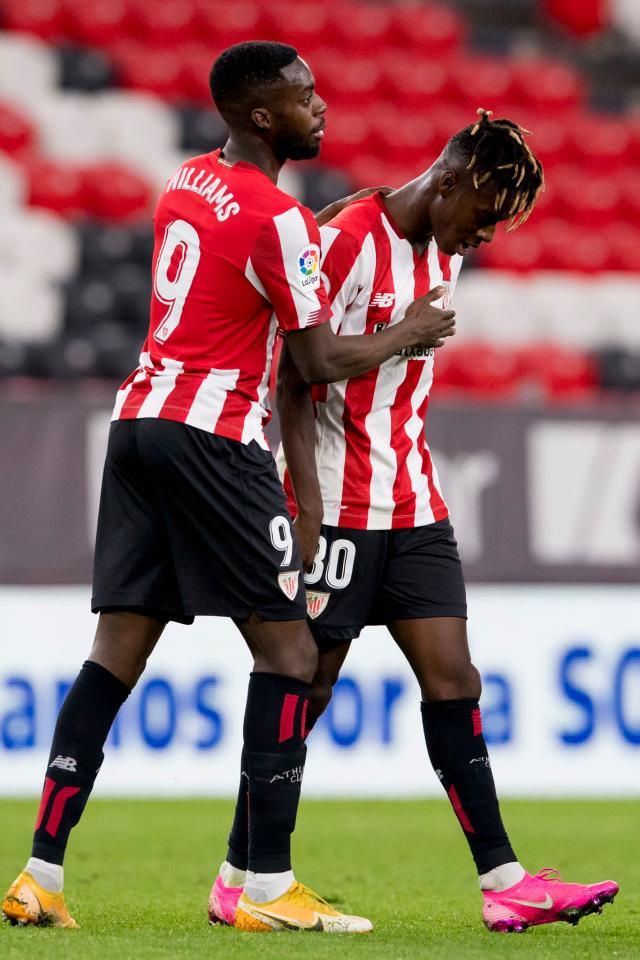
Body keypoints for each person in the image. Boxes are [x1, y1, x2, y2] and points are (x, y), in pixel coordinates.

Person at [1, 42, 457, 935]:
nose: (320, 107)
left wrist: (313, 237)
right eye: (303, 96)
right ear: (260, 115)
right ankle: (266, 886)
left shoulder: (187, 180)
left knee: (114, 653)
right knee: (291, 655)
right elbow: (315, 360)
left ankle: (39, 875)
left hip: (138, 422)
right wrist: (407, 330)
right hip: (213, 435)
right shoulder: (278, 219)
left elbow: (236, 271)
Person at [209, 109, 619, 934]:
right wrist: (308, 505)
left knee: (455, 680)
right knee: (308, 687)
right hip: (337, 501)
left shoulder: (445, 247)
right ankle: (241, 877)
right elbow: (295, 374)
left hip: (415, 501)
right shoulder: (346, 242)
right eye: (483, 214)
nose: (486, 235)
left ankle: (504, 882)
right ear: (449, 180)